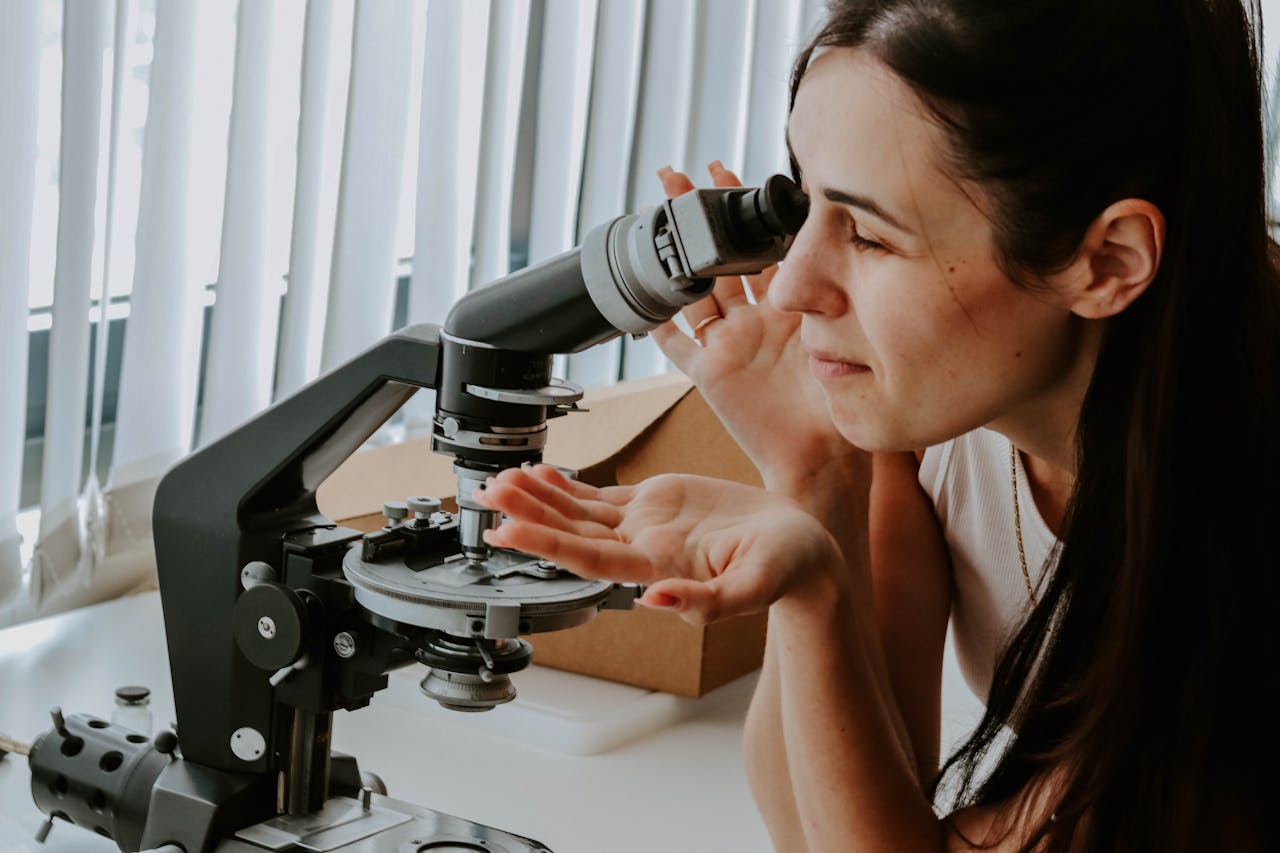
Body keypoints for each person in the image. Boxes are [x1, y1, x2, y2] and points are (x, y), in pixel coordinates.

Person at [475, 0, 1280, 849]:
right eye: (806, 203)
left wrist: (817, 592)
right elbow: (817, 819)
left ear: (1108, 260)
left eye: (867, 233)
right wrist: (814, 474)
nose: (789, 286)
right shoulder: (952, 407)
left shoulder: (1241, 523)